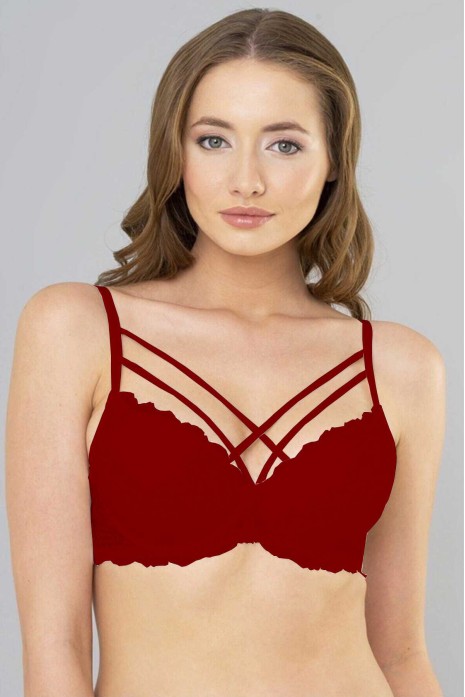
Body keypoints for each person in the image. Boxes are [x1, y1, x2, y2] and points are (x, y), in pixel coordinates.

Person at [5, 7, 445, 697]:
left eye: (284, 145)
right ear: (174, 152)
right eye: (213, 140)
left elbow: (400, 652)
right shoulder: (76, 330)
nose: (246, 180)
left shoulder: (402, 368)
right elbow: (55, 648)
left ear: (333, 159)